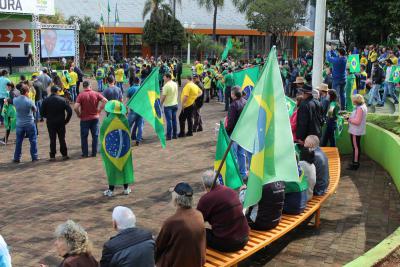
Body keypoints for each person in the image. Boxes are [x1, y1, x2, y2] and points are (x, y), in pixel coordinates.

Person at [197, 170, 249, 252]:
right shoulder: (230, 190)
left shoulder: (206, 199)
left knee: (198, 232)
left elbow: (198, 221)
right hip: (244, 237)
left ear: (204, 185)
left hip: (229, 243)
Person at [156, 182, 206, 267]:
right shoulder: (199, 215)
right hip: (197, 262)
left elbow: (158, 247)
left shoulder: (171, 222)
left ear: (176, 199)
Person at [74, 81, 107, 158]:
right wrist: (99, 110)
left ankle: (85, 153)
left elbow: (75, 107)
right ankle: (94, 153)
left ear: (83, 87)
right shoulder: (96, 93)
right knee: (95, 136)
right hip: (95, 118)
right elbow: (105, 101)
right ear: (90, 86)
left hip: (84, 119)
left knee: (84, 137)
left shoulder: (81, 95)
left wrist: (79, 114)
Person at [40, 86, 72, 161]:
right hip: (61, 122)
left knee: (52, 139)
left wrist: (48, 116)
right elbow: (69, 112)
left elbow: (42, 113)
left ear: (51, 91)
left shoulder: (46, 100)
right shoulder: (63, 100)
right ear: (57, 91)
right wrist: (66, 120)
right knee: (62, 138)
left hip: (51, 122)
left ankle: (52, 155)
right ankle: (64, 154)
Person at [226, 86, 248, 178]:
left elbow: (231, 121)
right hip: (243, 132)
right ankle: (243, 173)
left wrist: (227, 131)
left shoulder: (233, 105)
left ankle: (234, 175)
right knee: (241, 154)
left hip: (234, 133)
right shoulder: (245, 102)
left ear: (233, 94)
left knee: (233, 154)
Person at [12, 84, 38, 163]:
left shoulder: (15, 100)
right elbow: (35, 110)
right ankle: (34, 157)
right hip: (29, 123)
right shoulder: (28, 100)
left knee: (18, 141)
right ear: (26, 92)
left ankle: (16, 158)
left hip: (19, 123)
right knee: (33, 140)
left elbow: (12, 102)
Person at [346, 94, 367, 170]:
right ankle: (355, 162)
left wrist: (348, 119)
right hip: (357, 130)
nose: (352, 102)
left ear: (356, 101)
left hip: (355, 131)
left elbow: (357, 121)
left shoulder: (360, 108)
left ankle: (355, 164)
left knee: (356, 147)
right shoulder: (361, 106)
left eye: (353, 101)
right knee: (356, 146)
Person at [126, 77, 144, 146]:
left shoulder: (130, 89)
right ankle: (138, 140)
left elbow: (127, 100)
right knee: (140, 126)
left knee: (129, 126)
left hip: (133, 110)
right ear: (139, 82)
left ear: (133, 81)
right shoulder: (142, 89)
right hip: (141, 110)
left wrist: (126, 110)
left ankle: (127, 139)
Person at [161, 73, 178, 140]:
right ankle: (175, 135)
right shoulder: (175, 84)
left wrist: (160, 104)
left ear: (168, 78)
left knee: (169, 121)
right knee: (174, 120)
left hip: (168, 105)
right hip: (175, 104)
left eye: (164, 77)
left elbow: (163, 97)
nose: (163, 78)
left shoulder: (166, 86)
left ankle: (169, 136)